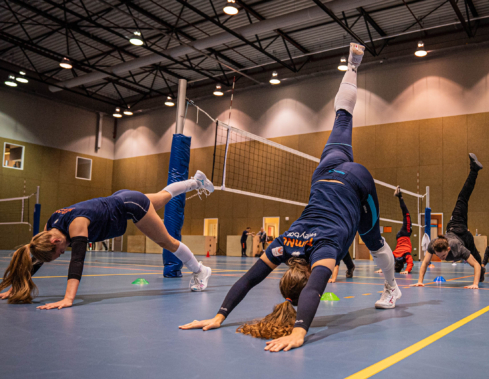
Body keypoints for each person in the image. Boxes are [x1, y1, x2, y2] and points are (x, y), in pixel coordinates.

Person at [179, 43, 403, 352]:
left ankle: (391, 288)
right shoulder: (281, 244)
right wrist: (219, 315)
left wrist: (300, 331)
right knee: (342, 117)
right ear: (287, 272)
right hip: (326, 174)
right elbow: (248, 279)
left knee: (374, 240)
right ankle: (351, 67)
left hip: (356, 182)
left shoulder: (324, 252)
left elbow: (314, 290)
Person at [0, 171, 215, 308]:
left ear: (56, 242)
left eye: (59, 253)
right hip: (120, 197)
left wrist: (68, 299)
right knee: (163, 196)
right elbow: (37, 256)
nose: (62, 253)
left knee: (166, 242)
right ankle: (196, 181)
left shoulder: (76, 226)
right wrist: (18, 284)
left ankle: (199, 271)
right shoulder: (49, 229)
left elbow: (77, 262)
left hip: (129, 206)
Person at [410, 154, 485, 288]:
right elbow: (425, 263)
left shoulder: (456, 246)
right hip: (458, 233)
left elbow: (476, 265)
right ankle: (474, 169)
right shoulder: (433, 245)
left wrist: (474, 284)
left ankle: (474, 169)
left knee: (462, 198)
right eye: (440, 256)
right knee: (476, 258)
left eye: (443, 255)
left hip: (458, 227)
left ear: (448, 248)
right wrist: (420, 281)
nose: (442, 258)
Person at [376, 186, 413, 274]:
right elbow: (386, 262)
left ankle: (400, 196)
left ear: (402, 265)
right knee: (406, 216)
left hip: (405, 235)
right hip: (399, 237)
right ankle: (399, 196)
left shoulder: (406, 255)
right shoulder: (394, 256)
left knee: (406, 215)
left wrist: (407, 270)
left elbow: (410, 263)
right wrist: (381, 269)